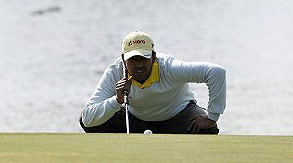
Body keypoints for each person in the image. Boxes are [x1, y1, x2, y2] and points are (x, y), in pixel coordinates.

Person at [80, 31, 226, 134]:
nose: (138, 65)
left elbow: (215, 72)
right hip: (135, 119)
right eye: (132, 59)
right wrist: (117, 100)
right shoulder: (115, 71)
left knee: (207, 129)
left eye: (143, 58)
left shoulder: (170, 68)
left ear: (154, 56)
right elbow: (87, 119)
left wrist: (212, 116)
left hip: (177, 116)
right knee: (95, 123)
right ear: (123, 59)